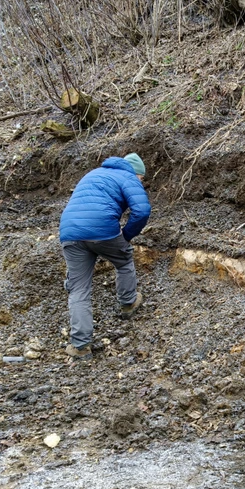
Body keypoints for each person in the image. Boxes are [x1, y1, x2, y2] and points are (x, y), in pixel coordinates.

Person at [59, 152, 151, 358]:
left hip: (69, 231)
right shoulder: (128, 176)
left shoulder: (93, 173)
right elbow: (142, 211)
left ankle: (80, 346)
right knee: (124, 260)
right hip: (102, 229)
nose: (141, 182)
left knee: (78, 288)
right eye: (142, 178)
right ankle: (128, 303)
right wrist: (126, 236)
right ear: (137, 172)